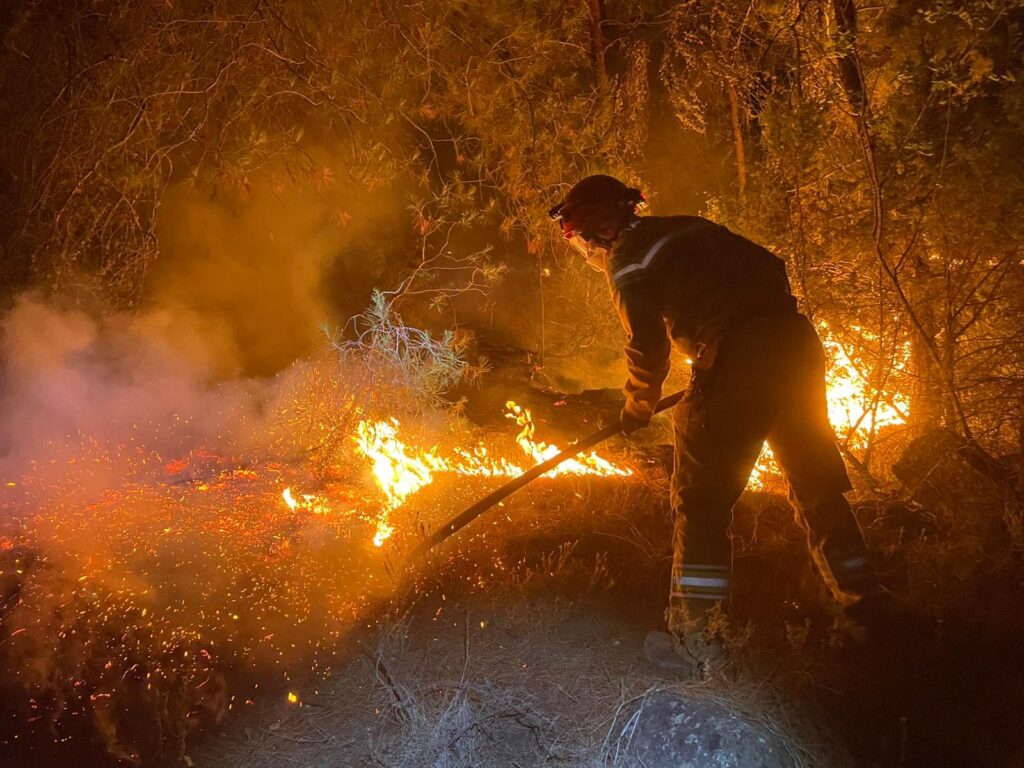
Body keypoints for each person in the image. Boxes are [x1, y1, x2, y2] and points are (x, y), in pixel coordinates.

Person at [548, 174, 884, 673]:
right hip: (795, 344)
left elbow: (646, 346)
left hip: (736, 355)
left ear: (596, 229)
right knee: (815, 485)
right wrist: (754, 338)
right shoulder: (690, 227)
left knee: (701, 501)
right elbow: (771, 265)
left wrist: (639, 407)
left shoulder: (627, 260)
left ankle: (697, 638)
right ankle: (870, 612)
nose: (585, 247)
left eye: (580, 237)